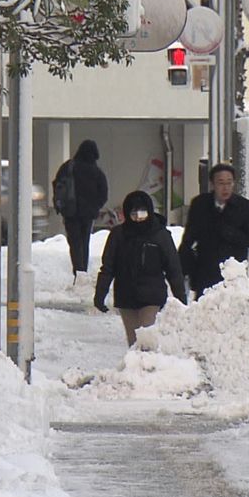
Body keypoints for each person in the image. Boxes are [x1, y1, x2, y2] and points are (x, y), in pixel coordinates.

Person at [94, 191, 187, 346]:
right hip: (126, 296)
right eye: (134, 214)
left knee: (147, 339)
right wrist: (100, 294)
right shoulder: (118, 235)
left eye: (142, 214)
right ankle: (135, 368)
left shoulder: (160, 235)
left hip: (152, 296)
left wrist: (180, 299)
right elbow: (108, 267)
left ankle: (149, 367)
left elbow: (173, 268)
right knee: (134, 342)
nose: (138, 218)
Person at [178, 163, 249, 298]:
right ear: (212, 184)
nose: (225, 188)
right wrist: (183, 265)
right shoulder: (200, 204)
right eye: (221, 183)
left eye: (229, 182)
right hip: (205, 270)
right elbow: (189, 238)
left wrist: (229, 232)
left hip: (232, 273)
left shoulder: (245, 207)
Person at [53, 140, 109, 278]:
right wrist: (96, 206)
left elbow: (57, 185)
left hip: (70, 211)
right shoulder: (97, 172)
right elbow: (104, 193)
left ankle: (77, 269)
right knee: (84, 242)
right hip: (88, 214)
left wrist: (61, 204)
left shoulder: (69, 167)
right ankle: (82, 269)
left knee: (74, 241)